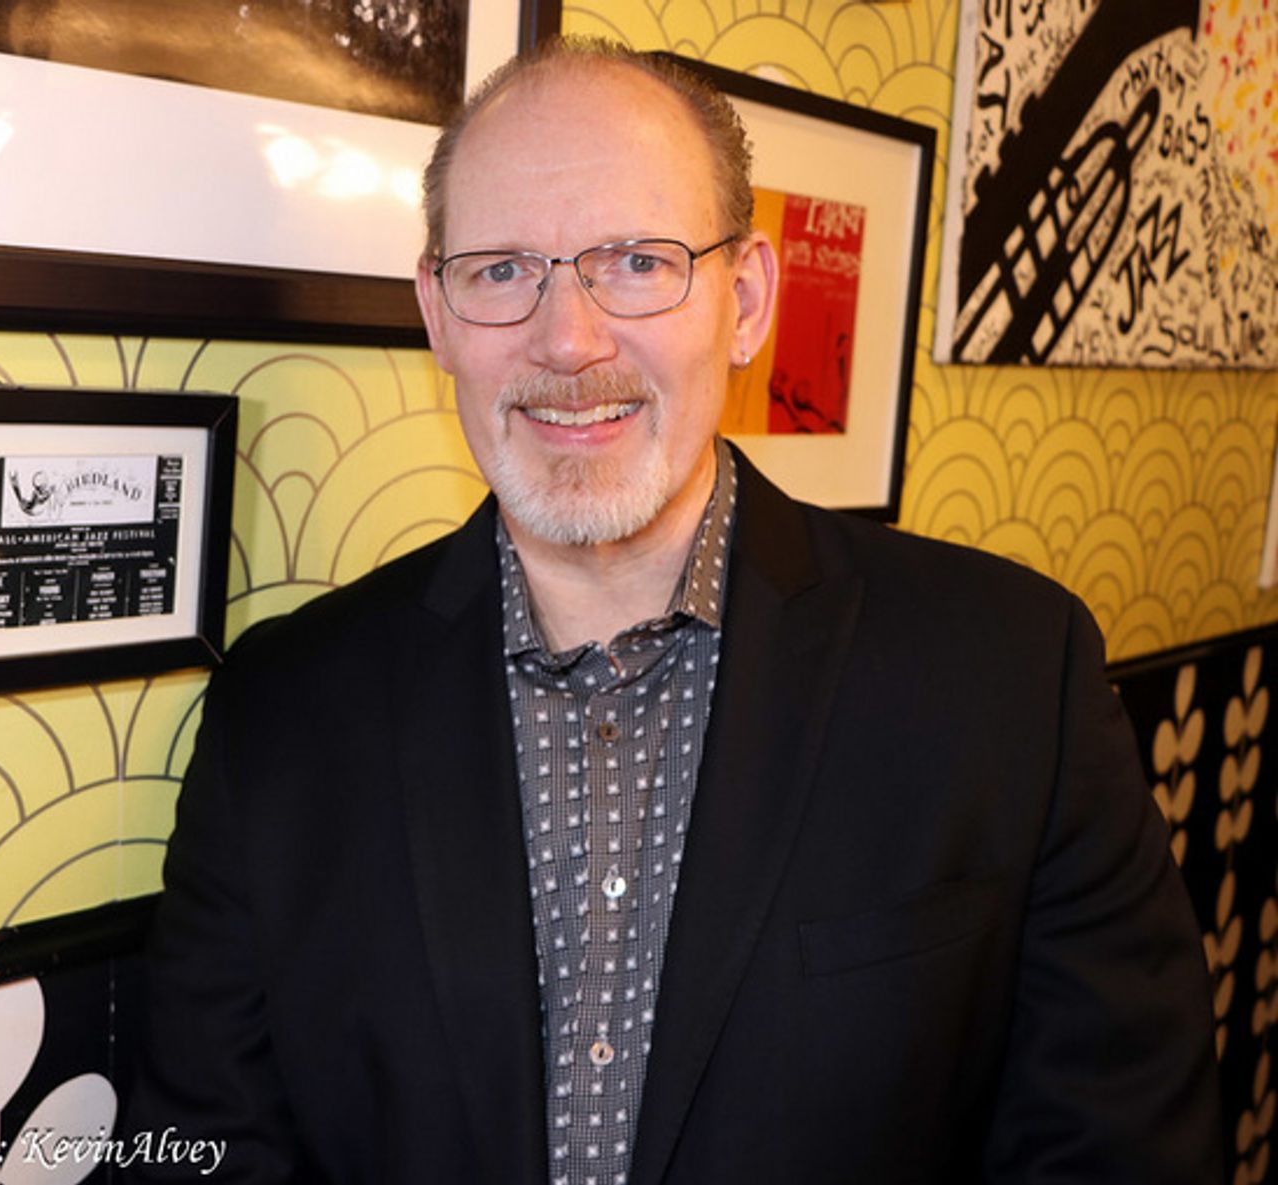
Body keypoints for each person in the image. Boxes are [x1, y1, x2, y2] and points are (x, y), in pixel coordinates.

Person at [128, 37, 1222, 1184]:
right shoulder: (285, 712)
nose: (566, 341)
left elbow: (1118, 1152)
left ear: (744, 301)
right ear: (436, 314)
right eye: (502, 269)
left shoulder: (1004, 676)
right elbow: (202, 1153)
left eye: (637, 261)